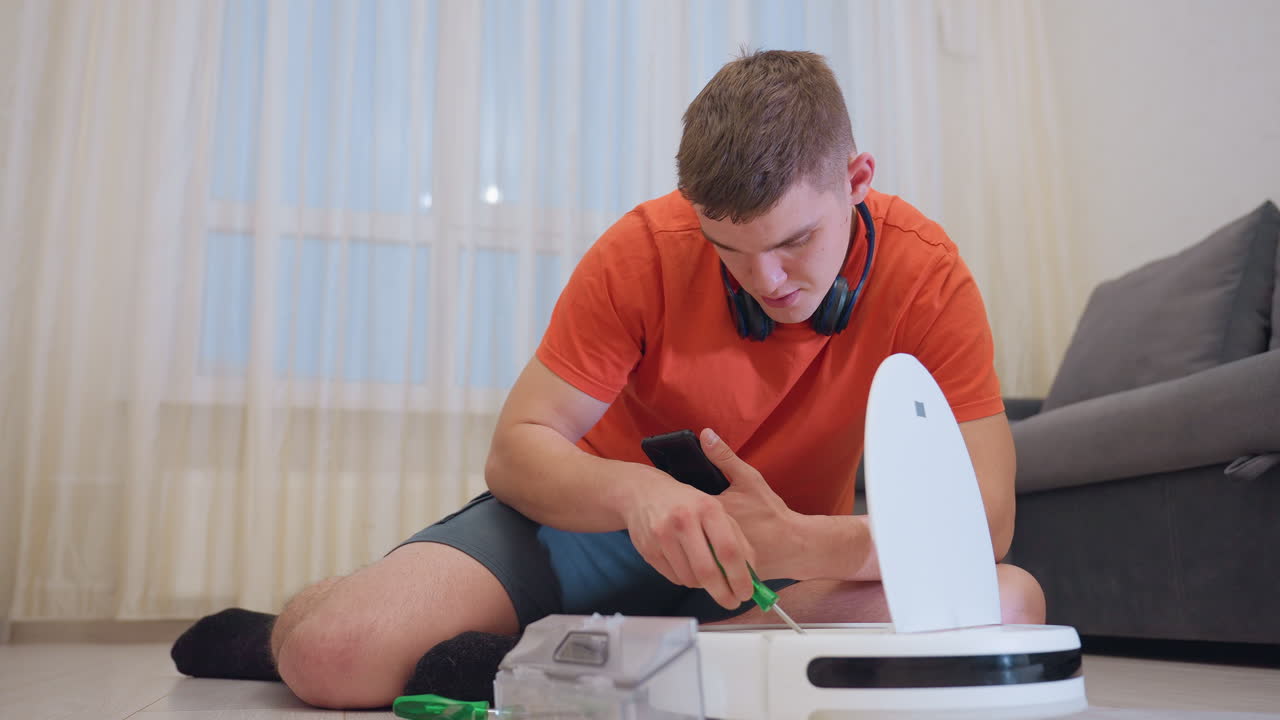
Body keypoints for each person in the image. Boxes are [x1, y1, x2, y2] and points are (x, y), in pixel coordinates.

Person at [172, 50, 1045, 709]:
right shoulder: (645, 248)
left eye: (791, 244)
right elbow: (517, 452)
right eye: (729, 252)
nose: (765, 283)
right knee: (338, 654)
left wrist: (800, 544)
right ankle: (309, 626)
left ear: (856, 182)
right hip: (589, 528)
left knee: (1009, 605)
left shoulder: (928, 275)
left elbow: (988, 523)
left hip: (769, 567)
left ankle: (542, 664)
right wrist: (638, 496)